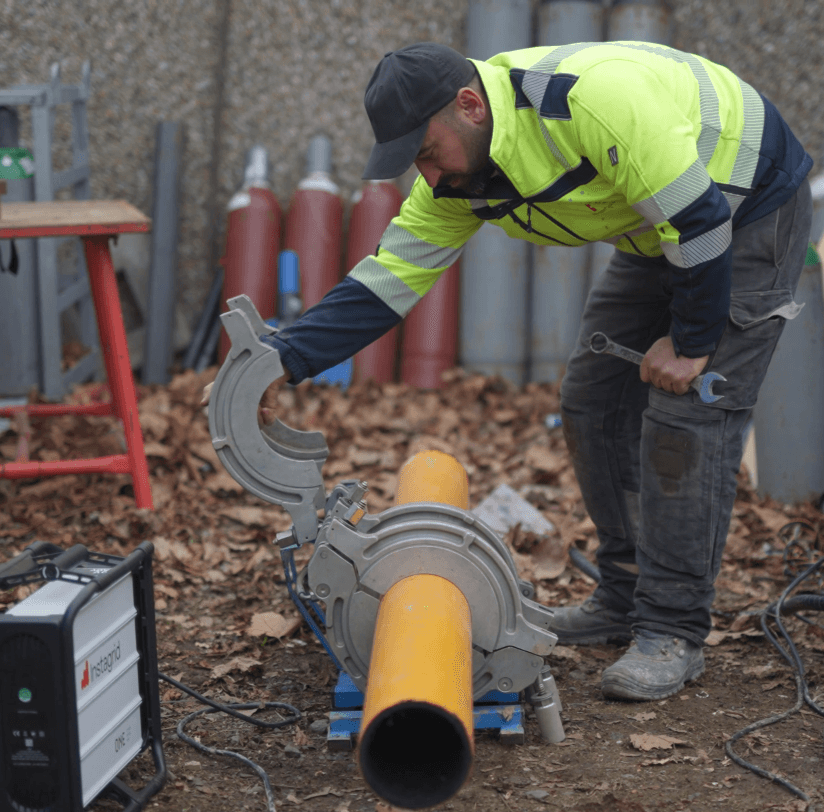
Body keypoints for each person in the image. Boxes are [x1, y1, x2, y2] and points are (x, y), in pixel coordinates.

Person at [256, 42, 813, 701]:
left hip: (745, 206)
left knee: (684, 421)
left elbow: (699, 219)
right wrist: (282, 360)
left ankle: (672, 628)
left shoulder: (590, 101)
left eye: (428, 153)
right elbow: (386, 283)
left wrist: (691, 344)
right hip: (658, 222)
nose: (427, 176)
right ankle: (624, 597)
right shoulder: (458, 179)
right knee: (592, 401)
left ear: (470, 106)